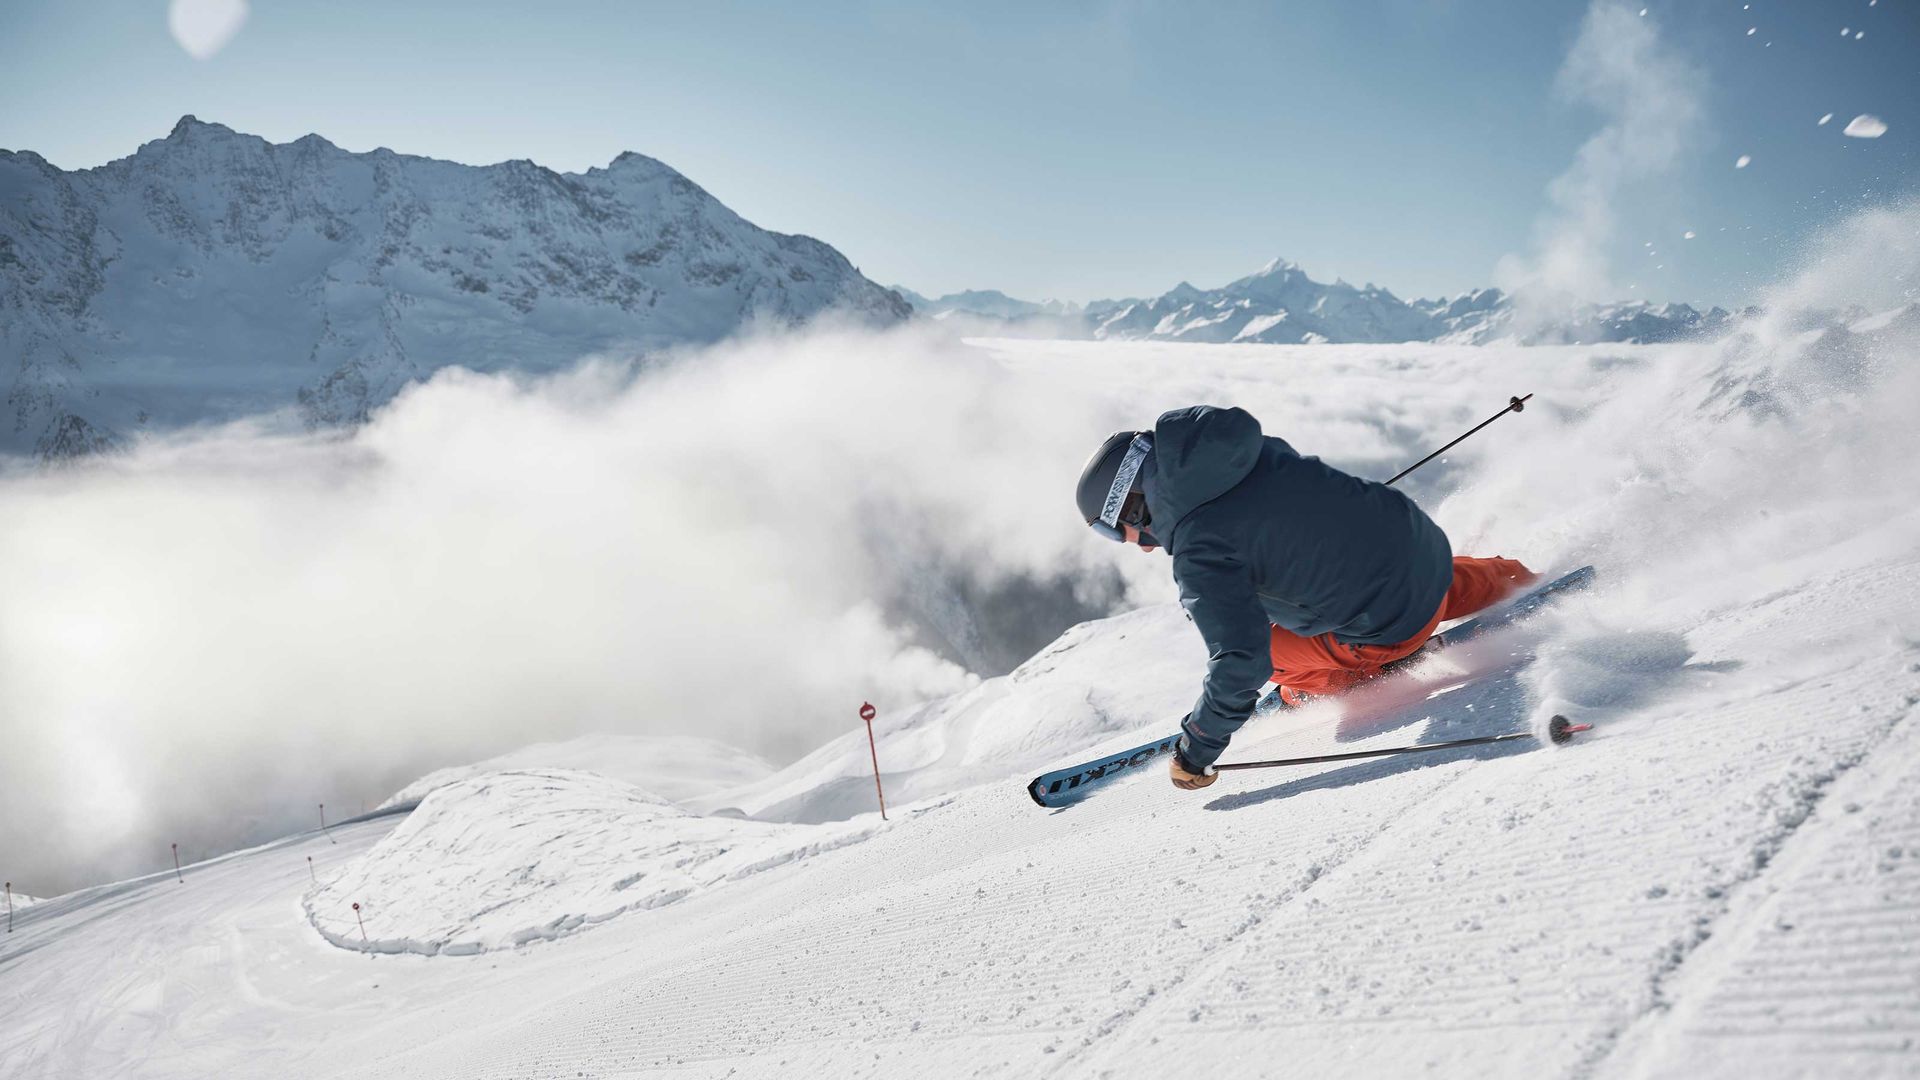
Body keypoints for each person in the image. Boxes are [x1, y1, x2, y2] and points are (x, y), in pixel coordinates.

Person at [1076, 405, 1537, 790]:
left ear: (1131, 502)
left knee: (1272, 657)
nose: (1139, 545)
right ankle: (1515, 577)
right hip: (1428, 554)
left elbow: (1241, 660)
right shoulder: (1246, 449)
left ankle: (1354, 674)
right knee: (1388, 566)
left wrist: (1196, 750)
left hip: (1393, 625)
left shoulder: (1198, 548)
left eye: (1117, 531)